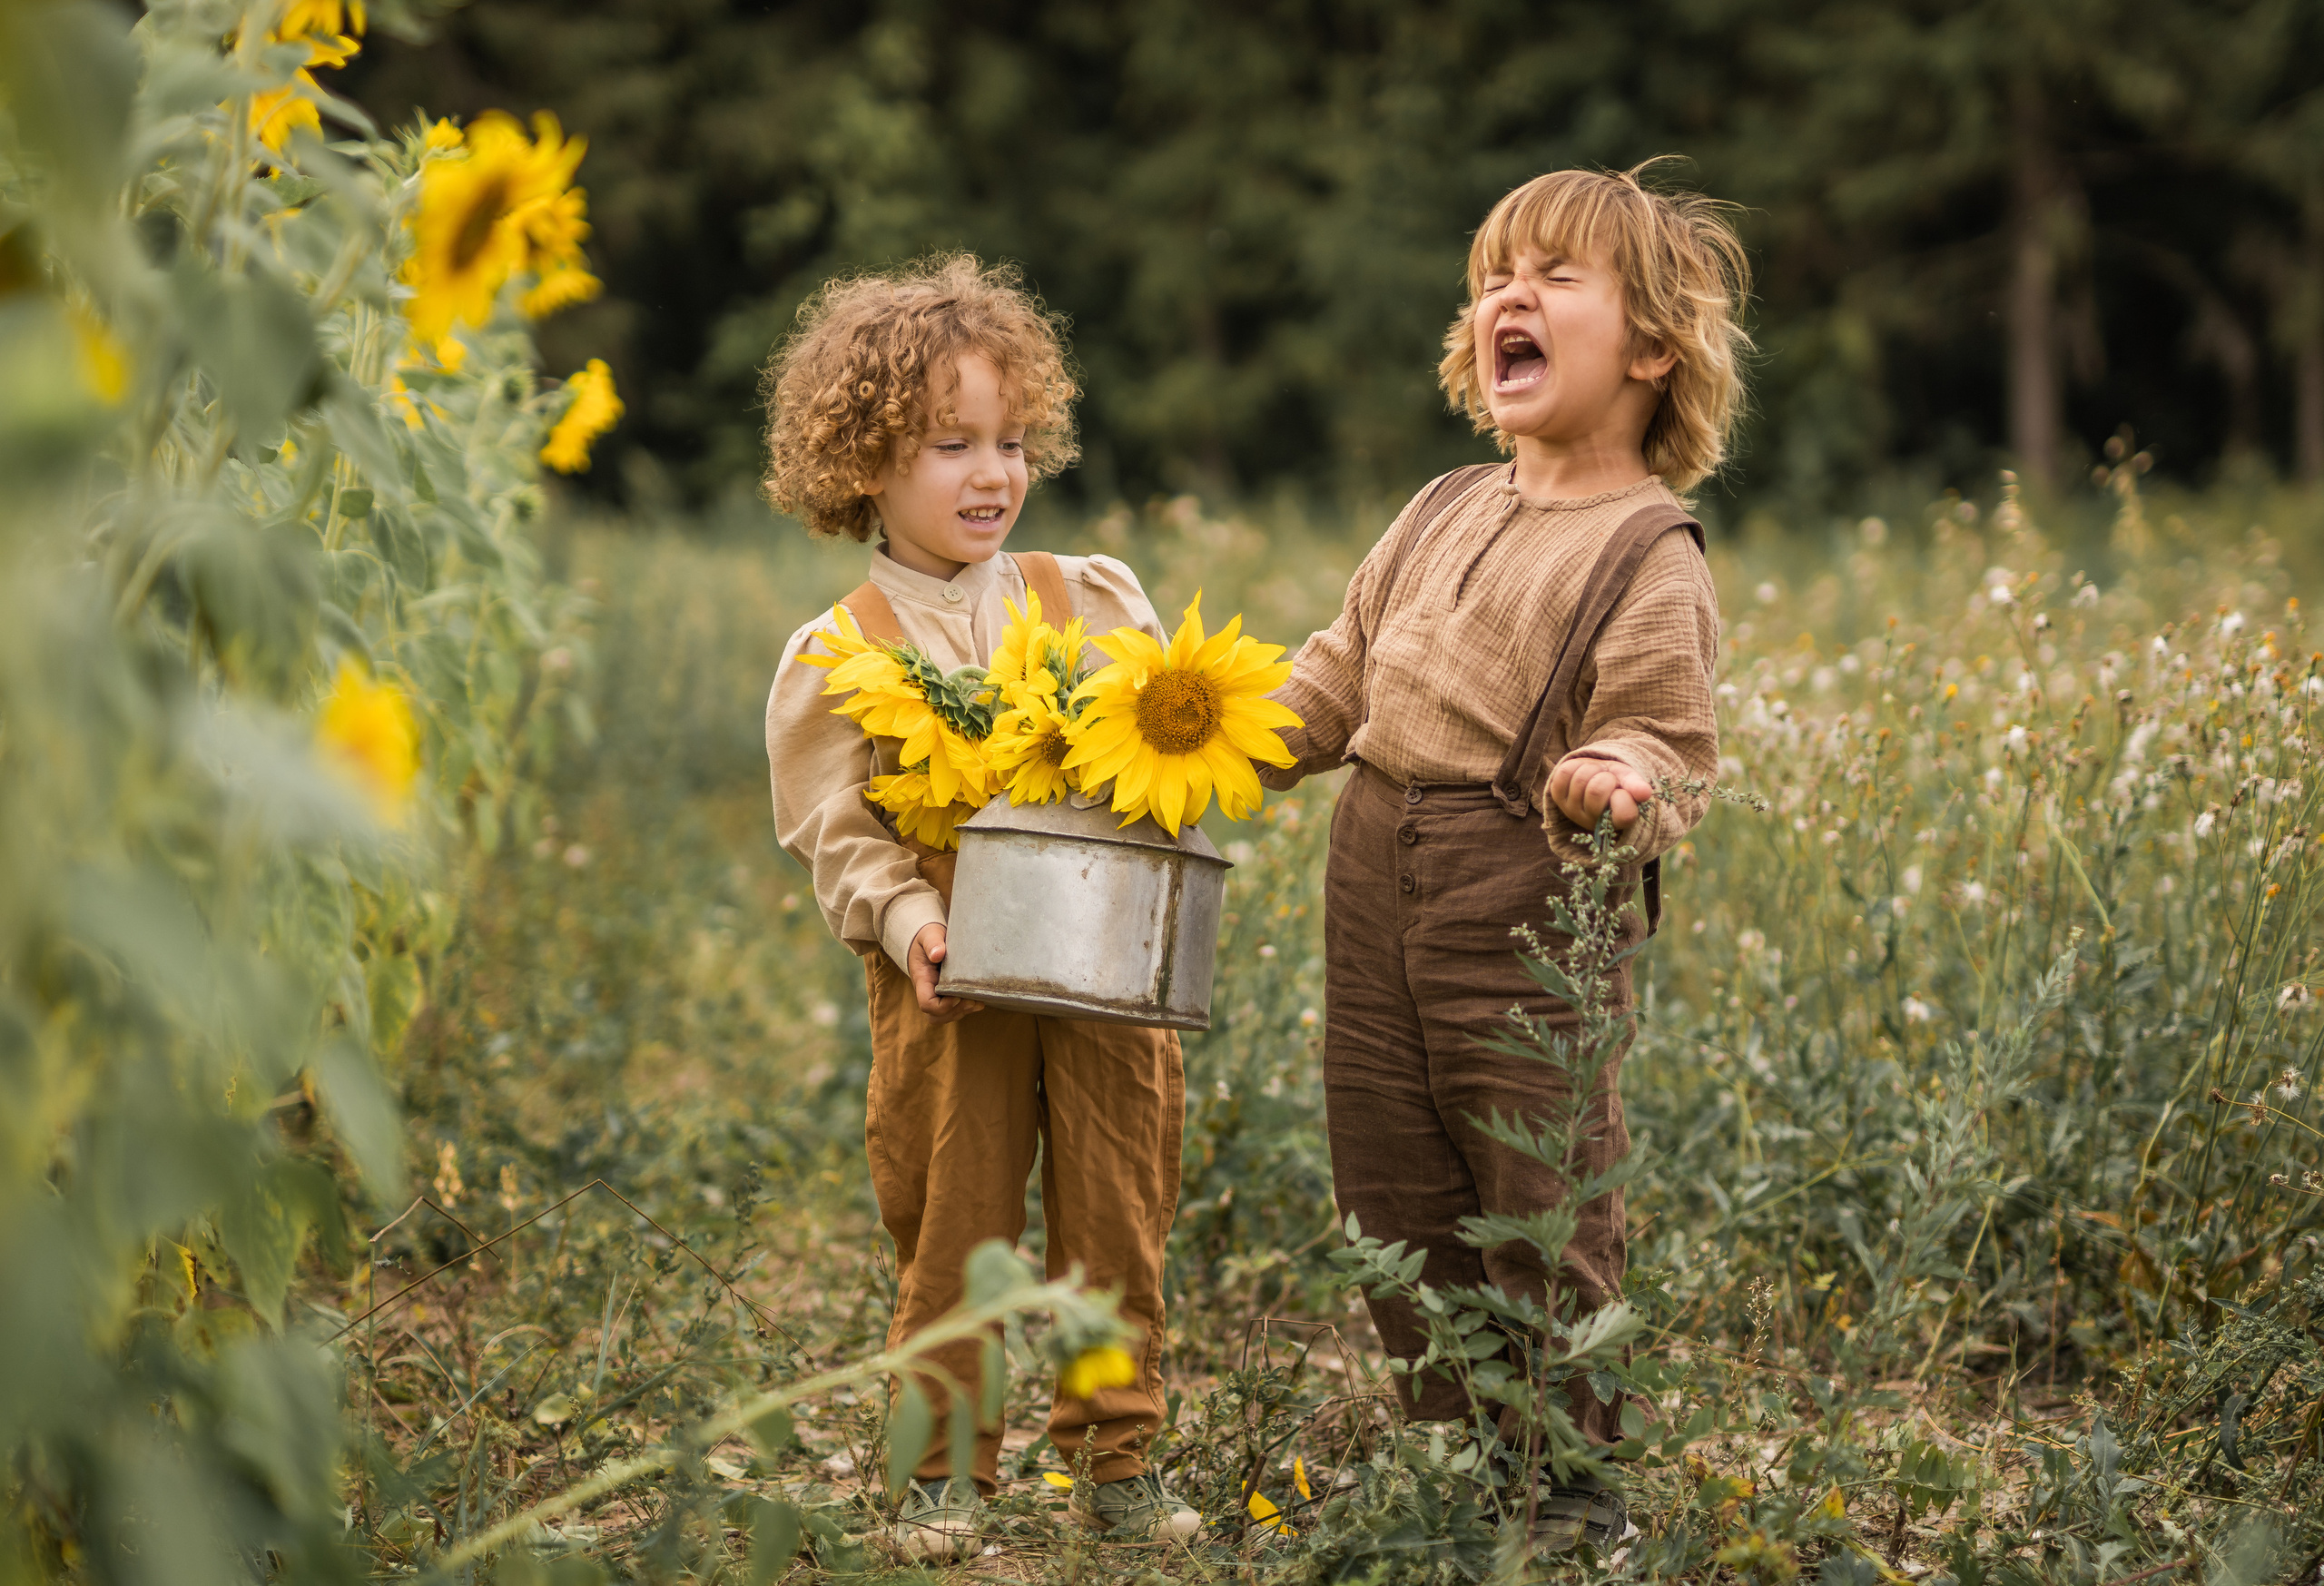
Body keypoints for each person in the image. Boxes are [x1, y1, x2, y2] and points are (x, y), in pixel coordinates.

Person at [1262, 164, 1747, 1551]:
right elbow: (1332, 681)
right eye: (1492, 279)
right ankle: (1465, 1455)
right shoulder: (1439, 506)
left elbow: (1667, 734)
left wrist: (1618, 775)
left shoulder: (1646, 550)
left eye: (1552, 277)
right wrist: (1201, 741)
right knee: (1391, 1175)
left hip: (1523, 891)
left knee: (1537, 1182)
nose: (1507, 299)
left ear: (1653, 348)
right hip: (1374, 872)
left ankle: (1569, 1480)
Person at [761, 255, 1199, 1558]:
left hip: (1103, 947)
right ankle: (943, 1469)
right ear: (865, 463)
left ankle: (1115, 1457)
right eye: (951, 445)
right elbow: (834, 831)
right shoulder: (842, 648)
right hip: (948, 961)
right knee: (954, 1213)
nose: (991, 473)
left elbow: (1159, 758)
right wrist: (909, 923)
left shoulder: (1089, 595)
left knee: (1117, 1208)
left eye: (1010, 442)